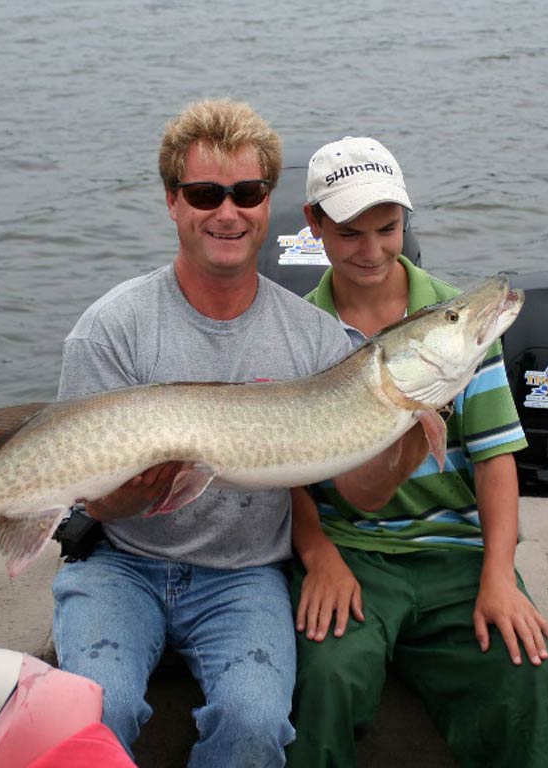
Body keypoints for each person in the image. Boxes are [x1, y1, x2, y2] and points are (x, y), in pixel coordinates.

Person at [51, 99, 355, 767]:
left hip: (244, 576)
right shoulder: (111, 327)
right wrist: (130, 495)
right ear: (172, 201)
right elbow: (93, 503)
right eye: (204, 193)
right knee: (95, 710)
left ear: (266, 202)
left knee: (252, 722)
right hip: (120, 564)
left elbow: (346, 474)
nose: (227, 212)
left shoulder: (314, 338)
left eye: (246, 193)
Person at [286, 136, 548, 767]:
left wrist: (497, 576)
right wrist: (318, 552)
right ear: (315, 225)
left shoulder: (461, 329)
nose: (373, 250)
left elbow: (496, 462)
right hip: (353, 553)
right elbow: (287, 471)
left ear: (406, 221)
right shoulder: (300, 333)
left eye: (387, 229)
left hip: (455, 556)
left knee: (526, 676)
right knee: (324, 679)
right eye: (351, 233)